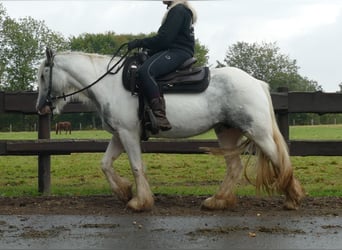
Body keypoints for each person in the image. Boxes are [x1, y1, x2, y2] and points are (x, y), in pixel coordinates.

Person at [127, 0, 197, 131]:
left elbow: (164, 39)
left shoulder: (178, 10)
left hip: (177, 52)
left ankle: (160, 117)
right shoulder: (180, 10)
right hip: (175, 50)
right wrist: (149, 51)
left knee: (145, 72)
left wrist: (139, 43)